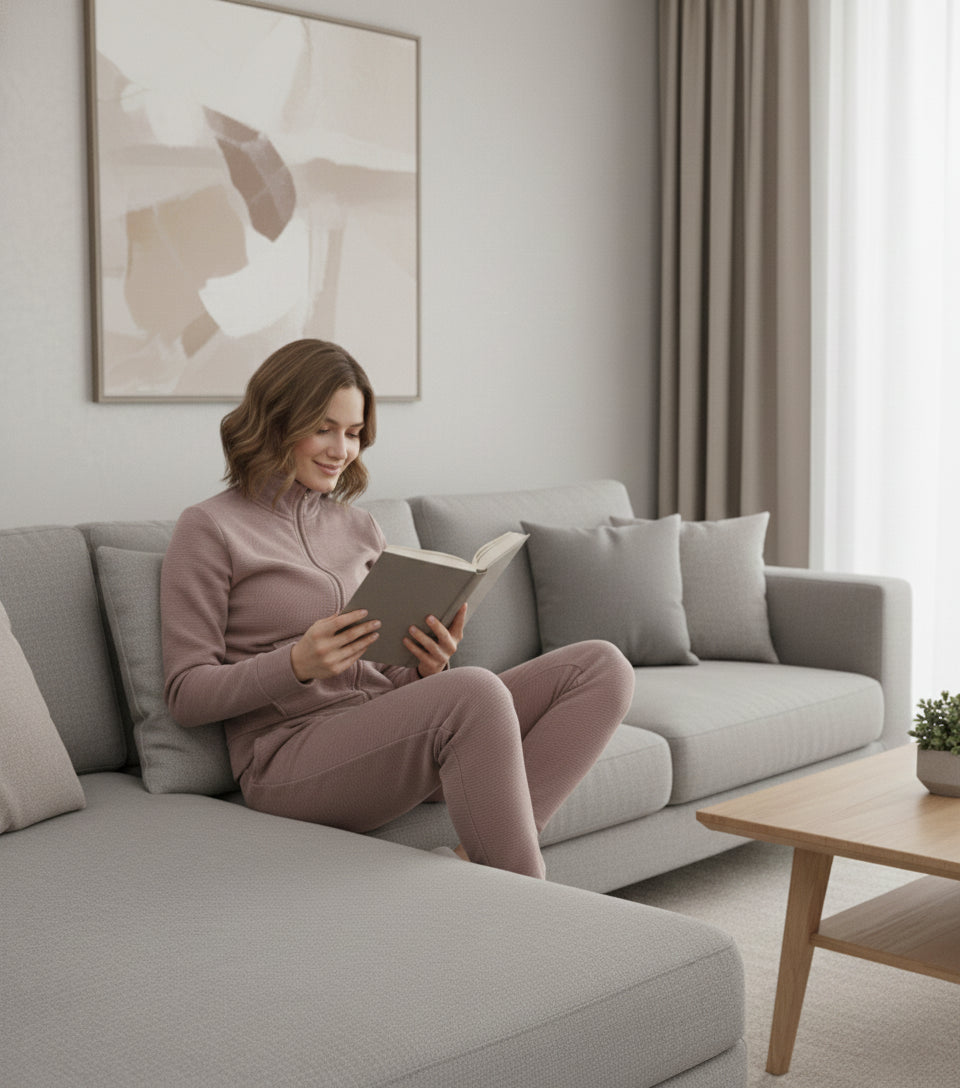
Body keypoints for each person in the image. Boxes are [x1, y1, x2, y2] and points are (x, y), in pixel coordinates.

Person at [161, 339, 634, 879]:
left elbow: (387, 673)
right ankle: (528, 896)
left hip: (390, 735)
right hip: (288, 757)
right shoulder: (209, 528)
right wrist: (295, 665)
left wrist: (427, 666)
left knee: (601, 668)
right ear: (275, 420)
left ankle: (477, 865)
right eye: (324, 428)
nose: (342, 449)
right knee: (476, 690)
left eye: (354, 433)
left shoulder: (359, 527)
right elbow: (185, 694)